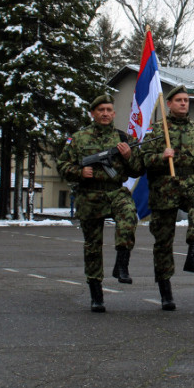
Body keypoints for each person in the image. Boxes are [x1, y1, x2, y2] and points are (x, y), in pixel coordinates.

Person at [56, 94, 143, 313]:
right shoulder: (79, 138)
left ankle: (121, 265)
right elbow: (62, 165)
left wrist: (129, 155)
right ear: (93, 113)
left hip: (115, 191)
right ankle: (96, 293)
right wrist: (79, 172)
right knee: (92, 246)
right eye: (100, 110)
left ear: (114, 113)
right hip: (90, 195)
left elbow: (138, 170)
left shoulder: (123, 138)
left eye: (108, 110)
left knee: (129, 216)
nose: (105, 114)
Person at [140, 85, 194, 310]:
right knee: (163, 241)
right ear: (169, 104)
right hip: (164, 186)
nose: (184, 103)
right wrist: (161, 157)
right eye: (179, 100)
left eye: (186, 100)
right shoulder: (156, 131)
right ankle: (165, 289)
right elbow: (141, 161)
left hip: (189, 183)